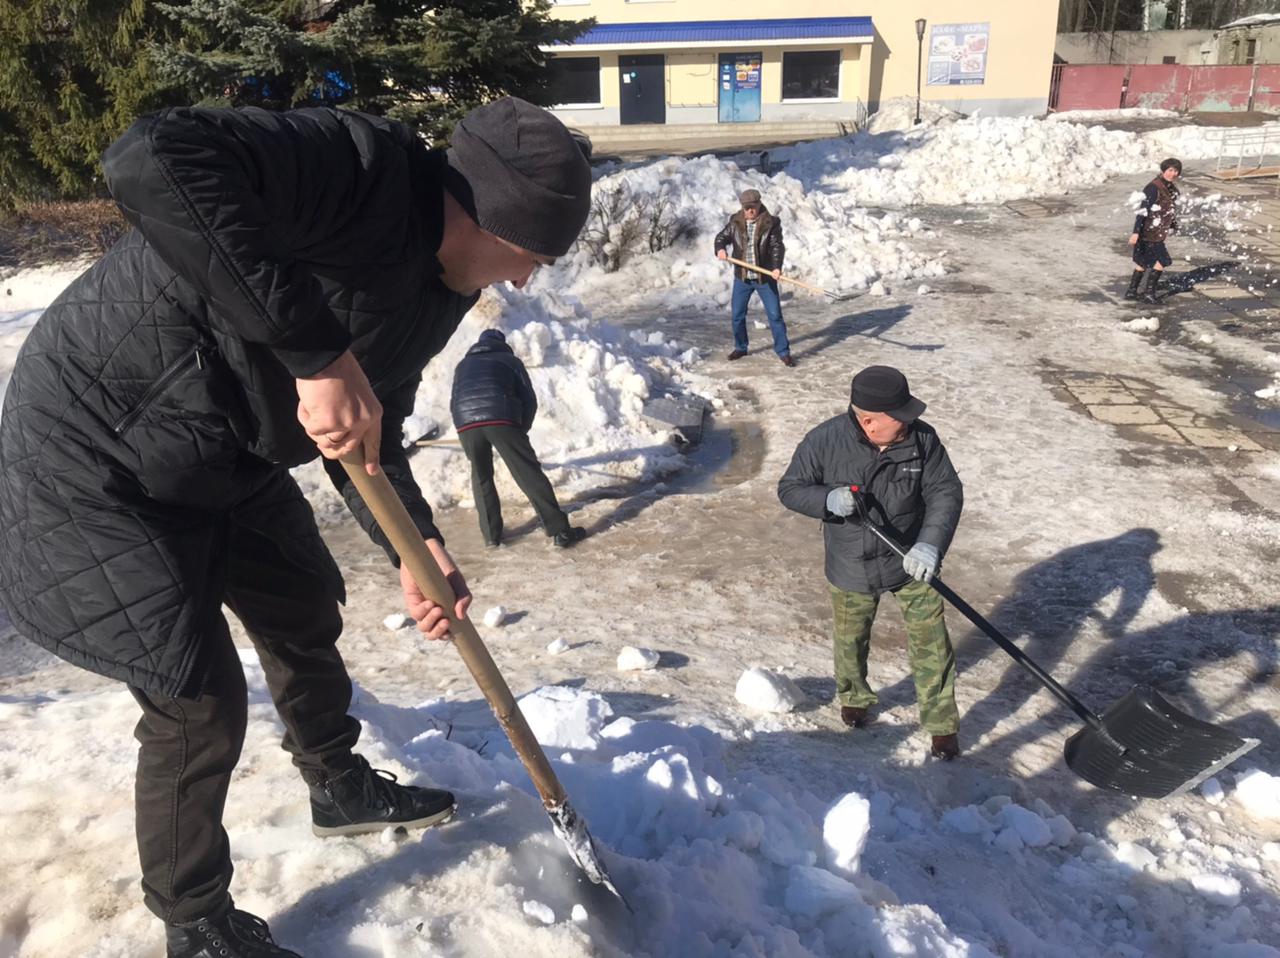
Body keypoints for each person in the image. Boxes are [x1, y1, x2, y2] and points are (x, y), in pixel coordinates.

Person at [0, 96, 591, 957]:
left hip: (224, 448)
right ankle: (195, 920)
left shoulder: (445, 285)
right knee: (195, 699)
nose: (524, 279)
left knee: (306, 602)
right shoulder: (358, 172)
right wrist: (314, 354)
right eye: (526, 255)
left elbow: (369, 413)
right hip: (94, 448)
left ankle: (337, 784)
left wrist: (414, 543)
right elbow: (151, 159)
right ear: (479, 210)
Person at [777, 366, 964, 760]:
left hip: (910, 560)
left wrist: (930, 545)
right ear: (869, 421)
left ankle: (942, 725)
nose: (910, 421)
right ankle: (854, 697)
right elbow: (790, 488)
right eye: (900, 416)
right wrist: (826, 499)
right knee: (851, 639)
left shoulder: (923, 440)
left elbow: (945, 490)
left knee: (933, 643)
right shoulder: (824, 441)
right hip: (851, 561)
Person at [449, 328, 586, 548]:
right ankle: (560, 531)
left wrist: (464, 427)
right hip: (501, 419)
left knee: (481, 475)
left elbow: (455, 399)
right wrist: (520, 430)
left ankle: (491, 536)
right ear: (502, 344)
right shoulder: (509, 360)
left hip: (465, 422)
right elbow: (529, 400)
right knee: (527, 472)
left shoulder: (462, 366)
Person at [714, 188, 795, 367]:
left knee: (775, 315)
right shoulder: (735, 222)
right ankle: (741, 347)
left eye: (753, 207)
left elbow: (776, 247)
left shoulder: (771, 223)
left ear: (759, 205)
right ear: (742, 207)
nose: (750, 211)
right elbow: (721, 237)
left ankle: (783, 351)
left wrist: (776, 267)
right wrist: (720, 248)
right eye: (746, 207)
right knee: (737, 315)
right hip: (742, 277)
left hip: (764, 278)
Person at [1125, 157, 1181, 304]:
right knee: (1163, 260)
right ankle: (1149, 294)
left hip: (1157, 231)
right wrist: (1136, 232)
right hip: (1149, 232)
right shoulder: (1154, 187)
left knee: (1142, 262)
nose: (1173, 173)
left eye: (1176, 171)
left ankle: (1131, 292)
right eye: (1170, 170)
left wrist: (1173, 225)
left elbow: (1169, 210)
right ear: (1163, 170)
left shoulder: (1169, 187)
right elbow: (1143, 210)